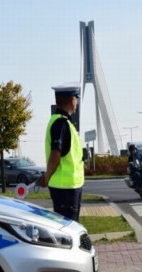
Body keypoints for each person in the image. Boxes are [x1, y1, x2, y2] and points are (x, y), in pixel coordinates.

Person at [39, 82, 85, 221]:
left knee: (69, 228)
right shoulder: (61, 124)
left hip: (68, 187)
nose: (76, 102)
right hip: (65, 188)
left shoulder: (61, 122)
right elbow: (56, 153)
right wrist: (46, 177)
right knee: (68, 230)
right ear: (72, 100)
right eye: (76, 99)